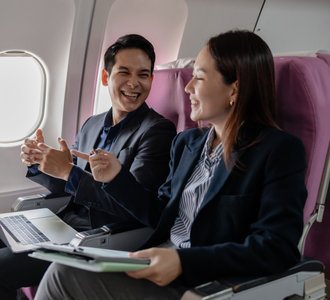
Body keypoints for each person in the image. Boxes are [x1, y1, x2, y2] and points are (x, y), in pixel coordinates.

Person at [34, 30, 308, 300]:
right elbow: (159, 214)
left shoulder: (278, 150)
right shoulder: (187, 144)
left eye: (199, 78)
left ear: (233, 89)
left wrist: (183, 261)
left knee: (62, 275)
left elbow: (277, 247)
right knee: (66, 266)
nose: (188, 88)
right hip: (156, 264)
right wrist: (116, 178)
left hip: (205, 282)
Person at [0, 34, 177, 300]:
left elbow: (137, 209)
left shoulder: (157, 131)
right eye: (124, 72)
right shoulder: (92, 123)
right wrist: (42, 165)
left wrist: (70, 172)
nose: (134, 83)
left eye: (143, 74)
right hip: (63, 221)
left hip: (99, 236)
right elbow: (71, 190)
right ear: (106, 77)